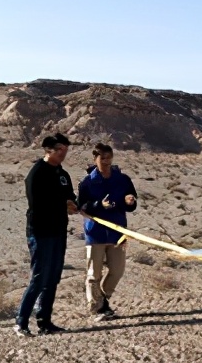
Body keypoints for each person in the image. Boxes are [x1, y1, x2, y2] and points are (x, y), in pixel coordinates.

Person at [15, 133, 77, 336]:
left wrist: (72, 205)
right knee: (40, 277)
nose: (63, 154)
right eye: (59, 150)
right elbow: (37, 203)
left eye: (65, 151)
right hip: (40, 231)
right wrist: (62, 204)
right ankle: (21, 322)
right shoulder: (37, 173)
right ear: (48, 150)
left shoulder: (62, 175)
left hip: (59, 230)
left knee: (53, 277)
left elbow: (70, 197)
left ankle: (44, 321)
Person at [77, 143, 138, 321]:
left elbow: (131, 203)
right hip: (95, 233)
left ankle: (102, 300)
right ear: (95, 159)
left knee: (117, 270)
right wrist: (98, 205)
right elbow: (82, 207)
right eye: (102, 158)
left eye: (109, 157)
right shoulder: (88, 182)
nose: (106, 161)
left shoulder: (122, 179)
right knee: (93, 274)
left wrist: (129, 201)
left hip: (117, 232)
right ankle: (96, 308)